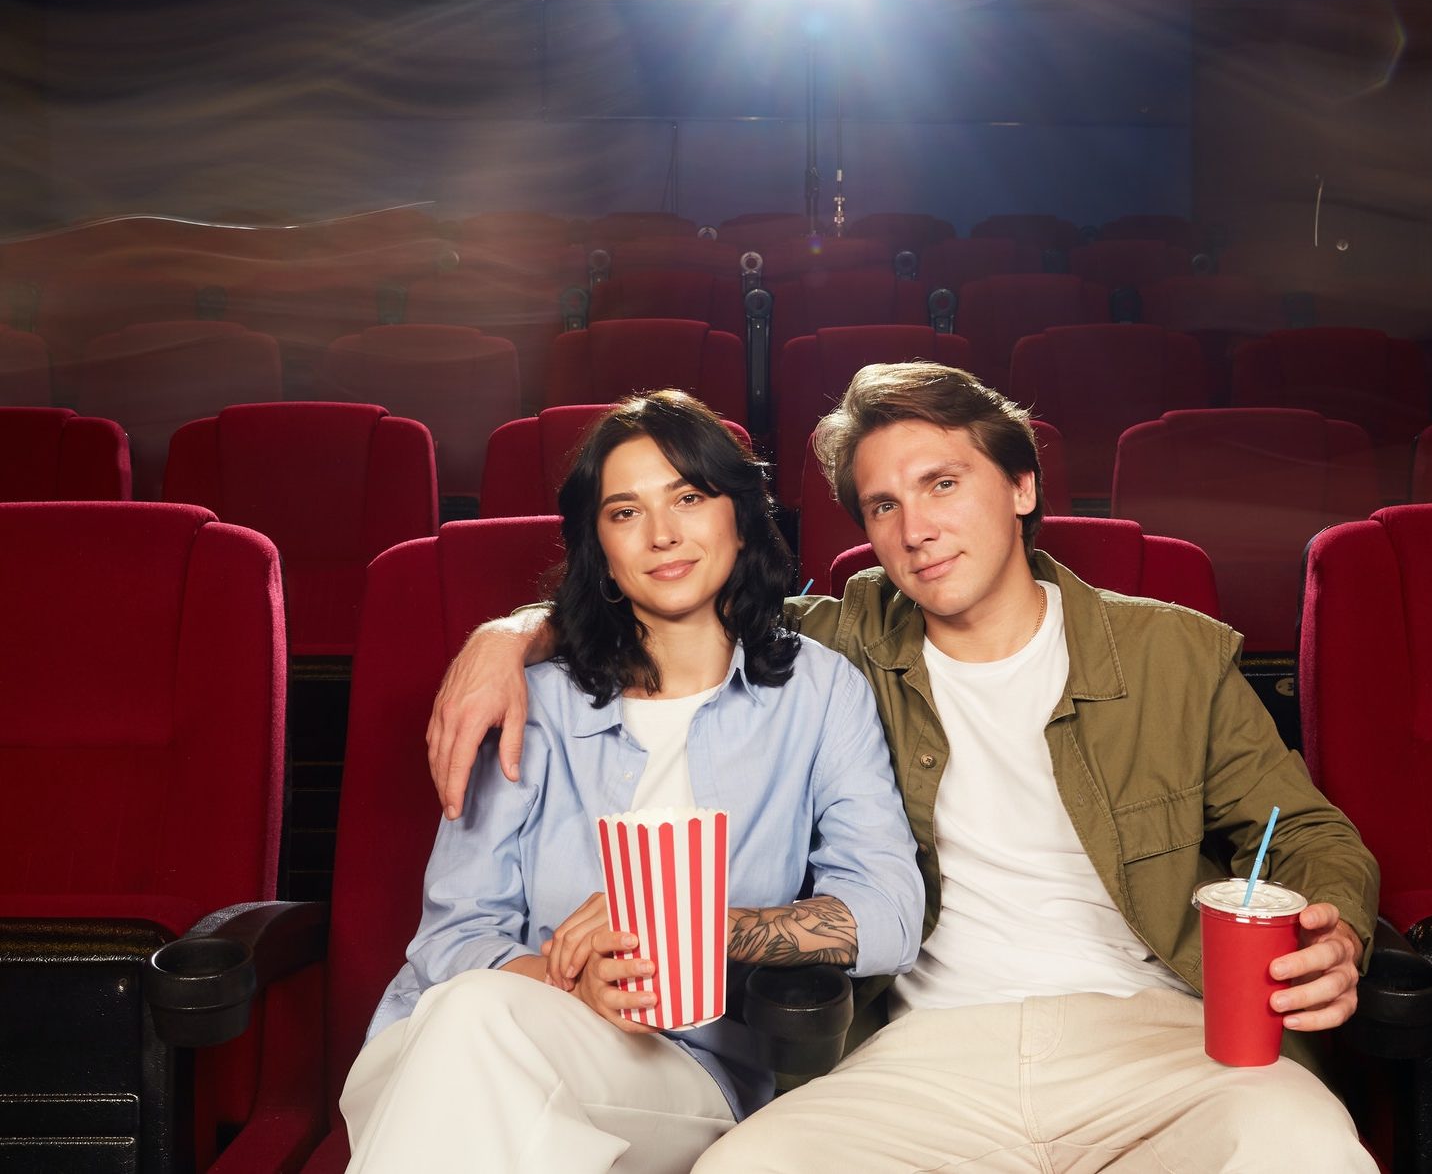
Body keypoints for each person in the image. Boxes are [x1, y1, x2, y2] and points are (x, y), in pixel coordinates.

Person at [425, 363, 1382, 1172]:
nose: (915, 526)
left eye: (942, 483)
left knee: (1300, 1146)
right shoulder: (834, 647)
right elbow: (673, 597)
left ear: (1020, 485)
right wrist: (510, 633)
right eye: (883, 504)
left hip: (1157, 1031)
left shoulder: (1172, 653)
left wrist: (1335, 934)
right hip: (920, 1048)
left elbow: (1307, 832)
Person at [343, 390, 922, 1173]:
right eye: (624, 512)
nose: (661, 534)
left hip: (674, 1074)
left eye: (688, 496)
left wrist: (688, 923)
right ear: (601, 548)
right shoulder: (532, 701)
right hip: (445, 1045)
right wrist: (565, 982)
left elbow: (888, 913)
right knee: (473, 1024)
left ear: (740, 515)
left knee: (476, 1045)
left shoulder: (819, 693)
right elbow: (452, 936)